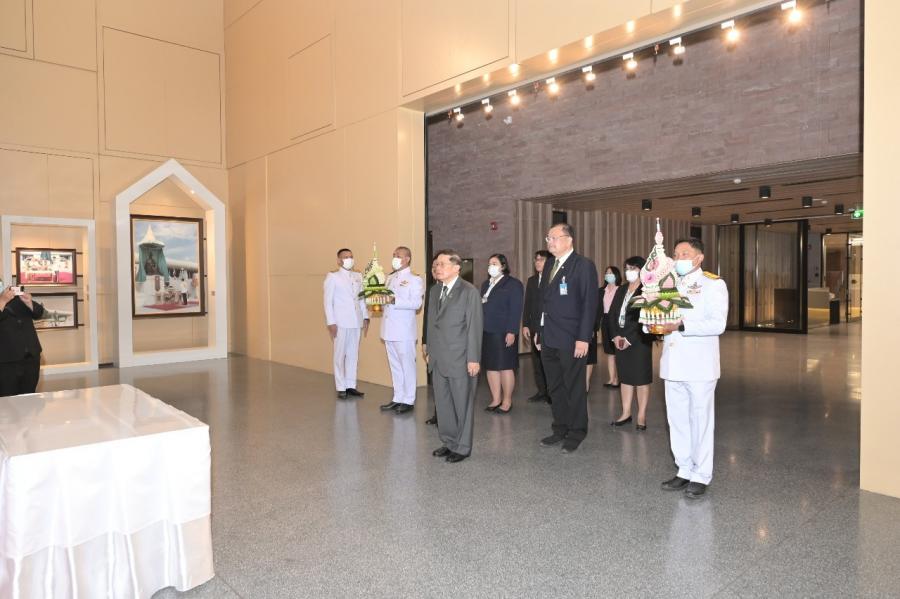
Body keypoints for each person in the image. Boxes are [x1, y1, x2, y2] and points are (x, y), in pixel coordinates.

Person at [657, 238, 728, 500]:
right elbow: (660, 315)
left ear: (699, 258)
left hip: (699, 366)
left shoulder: (713, 284)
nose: (678, 259)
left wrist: (682, 326)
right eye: (676, 254)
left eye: (684, 254)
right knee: (677, 420)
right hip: (673, 364)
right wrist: (654, 325)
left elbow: (718, 323)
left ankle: (701, 475)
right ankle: (684, 469)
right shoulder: (670, 283)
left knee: (700, 421)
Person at [534, 224, 599, 453]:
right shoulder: (550, 264)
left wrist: (583, 338)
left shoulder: (583, 265)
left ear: (569, 240)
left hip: (572, 338)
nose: (550, 242)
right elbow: (543, 301)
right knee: (555, 387)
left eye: (554, 238)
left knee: (574, 387)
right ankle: (560, 427)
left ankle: (577, 430)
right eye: (548, 238)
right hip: (548, 336)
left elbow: (589, 304)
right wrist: (539, 330)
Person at [423, 250, 482, 463]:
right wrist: (428, 348)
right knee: (443, 403)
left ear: (457, 268)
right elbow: (431, 322)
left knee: (462, 405)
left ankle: (463, 447)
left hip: (460, 358)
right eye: (436, 264)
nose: (437, 268)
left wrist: (473, 359)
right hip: (438, 357)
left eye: (442, 264)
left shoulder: (469, 291)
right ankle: (448, 441)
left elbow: (474, 326)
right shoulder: (434, 290)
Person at [608, 256, 654, 431]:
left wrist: (628, 338)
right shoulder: (622, 289)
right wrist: (615, 336)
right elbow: (612, 314)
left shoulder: (647, 291)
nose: (629, 272)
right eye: (627, 268)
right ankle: (626, 412)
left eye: (633, 268)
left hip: (639, 340)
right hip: (620, 340)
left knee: (641, 379)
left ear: (642, 270)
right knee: (625, 378)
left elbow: (644, 319)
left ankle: (641, 415)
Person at [380, 246, 424, 415]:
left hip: (404, 331)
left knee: (407, 366)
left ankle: (408, 400)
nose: (395, 258)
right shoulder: (390, 278)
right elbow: (386, 301)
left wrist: (394, 300)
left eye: (398, 255)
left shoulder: (414, 279)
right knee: (395, 366)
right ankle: (398, 397)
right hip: (389, 329)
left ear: (407, 259)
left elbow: (416, 304)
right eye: (393, 255)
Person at [480, 254, 524, 414]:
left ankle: (507, 401)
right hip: (487, 331)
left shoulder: (513, 284)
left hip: (504, 331)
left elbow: (516, 309)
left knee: (505, 366)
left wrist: (512, 331)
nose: (490, 266)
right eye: (489, 263)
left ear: (503, 266)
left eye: (494, 263)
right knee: (491, 367)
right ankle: (496, 399)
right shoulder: (486, 284)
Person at [324, 248, 369, 400]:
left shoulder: (357, 276)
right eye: (345, 257)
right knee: (339, 355)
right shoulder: (333, 277)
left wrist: (365, 317)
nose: (349, 259)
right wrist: (331, 322)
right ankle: (341, 387)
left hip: (356, 321)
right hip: (340, 322)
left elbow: (361, 299)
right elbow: (328, 302)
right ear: (339, 260)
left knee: (353, 354)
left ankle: (351, 385)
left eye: (351, 256)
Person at [0, 285, 45, 397]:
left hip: (31, 358)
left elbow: (39, 312)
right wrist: (2, 301)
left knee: (29, 398)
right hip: (7, 362)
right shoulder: (4, 298)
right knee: (7, 400)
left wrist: (29, 302)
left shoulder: (16, 297)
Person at [522, 250, 551, 404]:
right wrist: (526, 324)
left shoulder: (553, 279)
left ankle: (552, 393)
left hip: (549, 327)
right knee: (537, 361)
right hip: (534, 327)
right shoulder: (532, 280)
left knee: (549, 362)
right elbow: (528, 304)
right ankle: (542, 391)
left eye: (541, 259)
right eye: (536, 260)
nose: (537, 262)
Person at [600, 266, 621, 388]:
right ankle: (611, 378)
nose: (608, 275)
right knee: (609, 352)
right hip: (605, 321)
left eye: (611, 273)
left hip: (617, 321)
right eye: (606, 273)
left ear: (616, 275)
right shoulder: (602, 291)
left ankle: (619, 378)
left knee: (618, 351)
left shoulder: (621, 290)